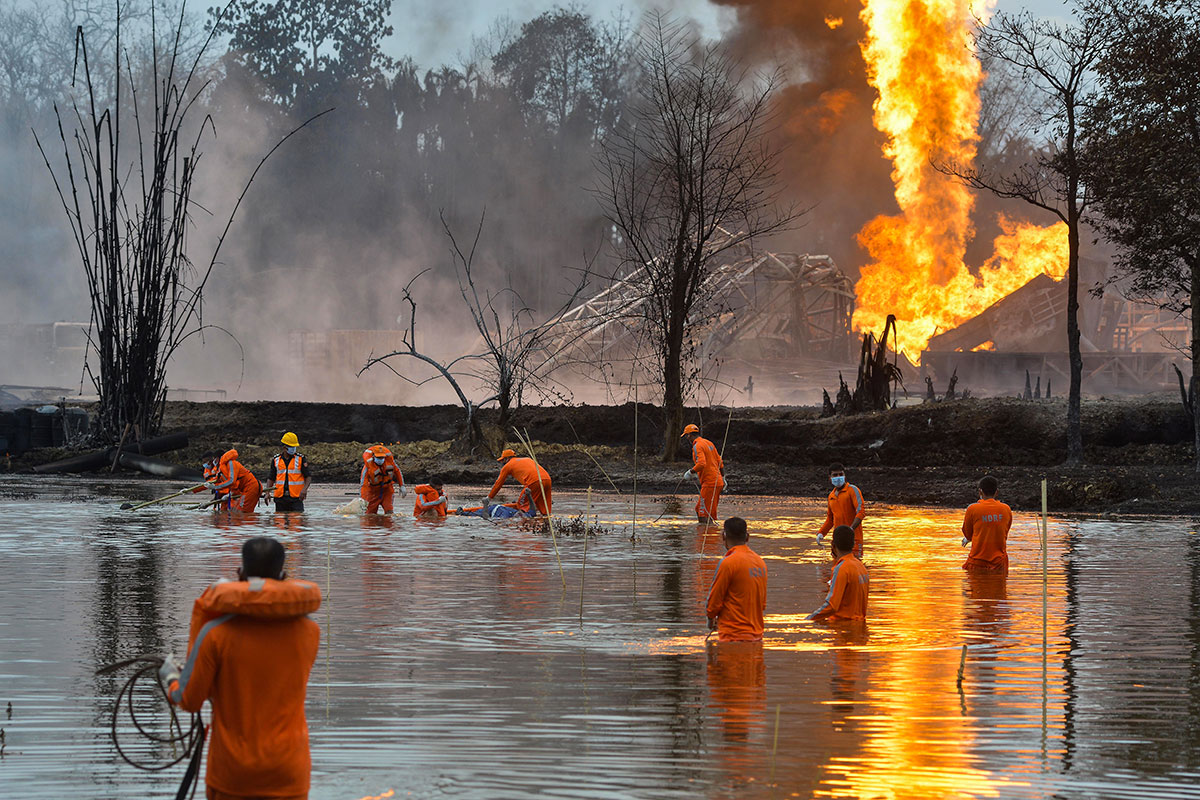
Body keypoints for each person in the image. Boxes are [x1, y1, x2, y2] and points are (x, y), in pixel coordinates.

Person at [159, 537, 321, 800]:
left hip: (233, 775)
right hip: (289, 772)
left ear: (240, 574)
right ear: (284, 577)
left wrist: (171, 679)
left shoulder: (216, 634)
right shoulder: (309, 632)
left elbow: (189, 699)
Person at [705, 517, 767, 642]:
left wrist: (711, 620)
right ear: (747, 537)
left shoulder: (727, 563)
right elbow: (762, 604)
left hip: (732, 636)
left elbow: (714, 601)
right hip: (757, 636)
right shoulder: (760, 563)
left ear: (723, 536)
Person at [807, 525, 869, 621]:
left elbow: (832, 606)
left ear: (833, 545)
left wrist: (809, 619)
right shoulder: (861, 567)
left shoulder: (841, 569)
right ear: (853, 545)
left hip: (841, 626)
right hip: (859, 624)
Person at [961, 474, 1013, 573]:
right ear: (997, 492)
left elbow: (968, 534)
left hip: (977, 561)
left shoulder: (972, 509)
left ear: (980, 491)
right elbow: (1005, 531)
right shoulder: (1006, 509)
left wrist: (968, 538)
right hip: (999, 562)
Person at [817, 462, 865, 556]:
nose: (838, 477)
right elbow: (830, 519)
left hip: (853, 540)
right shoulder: (831, 496)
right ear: (830, 478)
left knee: (855, 563)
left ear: (844, 475)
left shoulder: (852, 490)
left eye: (841, 474)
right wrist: (821, 533)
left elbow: (861, 512)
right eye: (835, 475)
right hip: (837, 542)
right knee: (835, 564)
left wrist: (850, 529)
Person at [682, 423, 726, 523]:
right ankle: (708, 531)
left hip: (710, 483)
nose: (687, 438)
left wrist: (690, 472)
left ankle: (706, 532)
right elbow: (719, 462)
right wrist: (723, 477)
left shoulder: (697, 445)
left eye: (686, 436)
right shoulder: (709, 443)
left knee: (703, 512)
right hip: (717, 482)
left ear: (689, 435)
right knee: (702, 510)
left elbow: (701, 463)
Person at [488, 448, 552, 516]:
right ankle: (546, 518)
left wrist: (489, 498)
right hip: (547, 480)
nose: (502, 462)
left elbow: (498, 484)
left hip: (534, 481)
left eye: (502, 460)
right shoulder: (528, 459)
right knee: (544, 507)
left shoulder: (507, 465)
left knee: (521, 506)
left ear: (507, 459)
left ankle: (524, 520)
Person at [265, 432, 312, 513]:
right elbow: (271, 478)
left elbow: (308, 476)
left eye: (294, 447)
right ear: (284, 447)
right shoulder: (276, 460)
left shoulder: (300, 459)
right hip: (280, 498)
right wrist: (267, 492)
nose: (293, 449)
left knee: (297, 519)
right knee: (279, 519)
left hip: (296, 498)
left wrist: (304, 490)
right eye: (291, 447)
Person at [360, 444, 406, 514]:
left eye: (382, 457)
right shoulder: (367, 468)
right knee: (370, 514)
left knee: (389, 512)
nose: (381, 459)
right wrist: (363, 499)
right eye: (379, 457)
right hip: (373, 492)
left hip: (387, 490)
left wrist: (402, 485)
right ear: (373, 456)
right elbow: (364, 485)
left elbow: (397, 471)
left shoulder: (390, 462)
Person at [212, 448, 260, 513]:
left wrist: (214, 487)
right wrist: (231, 494)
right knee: (235, 511)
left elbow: (231, 481)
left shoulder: (231, 463)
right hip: (245, 489)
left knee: (241, 512)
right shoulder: (223, 468)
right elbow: (234, 485)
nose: (213, 461)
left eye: (214, 458)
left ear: (218, 458)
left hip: (251, 487)